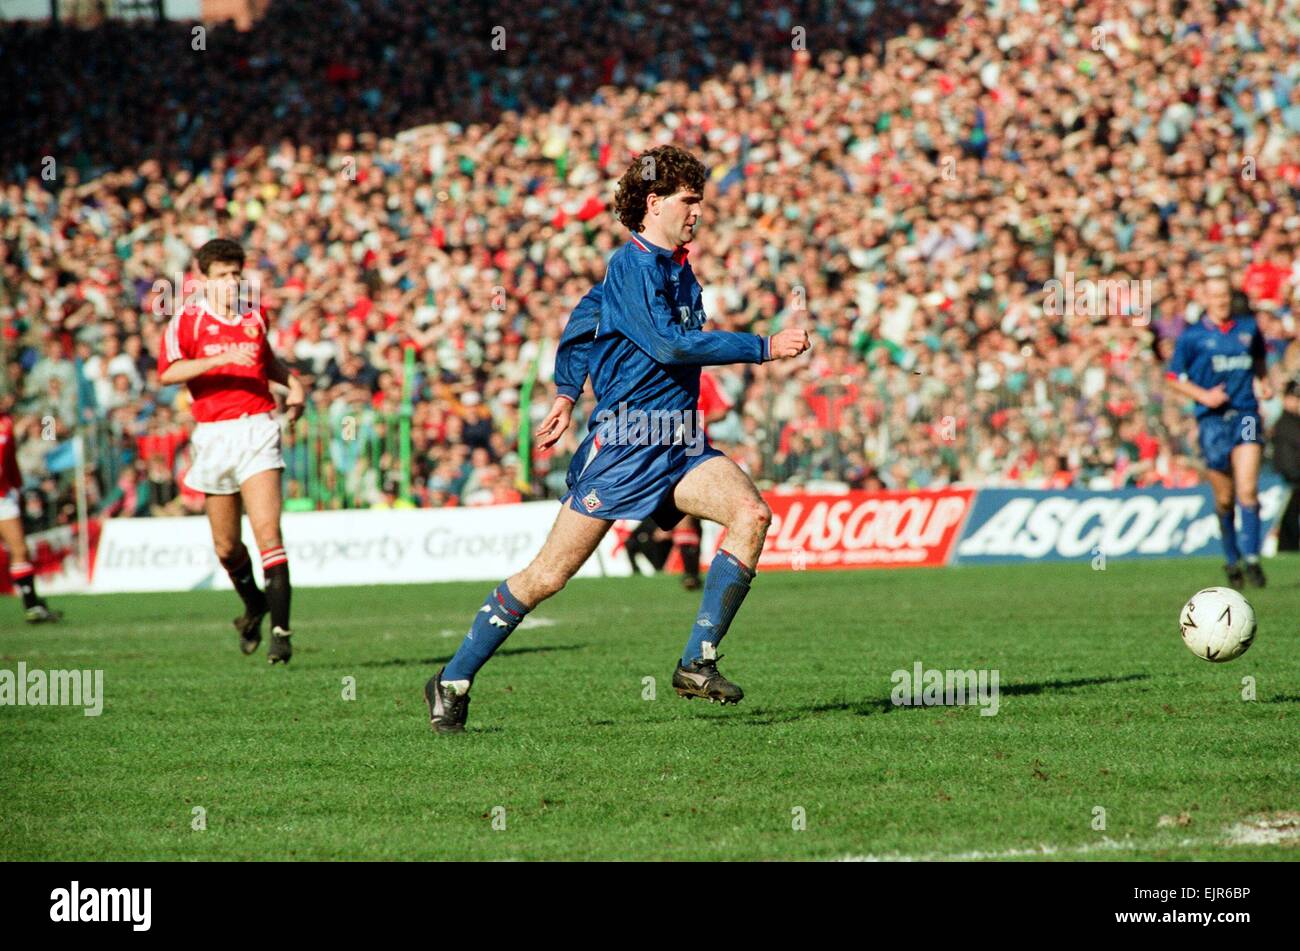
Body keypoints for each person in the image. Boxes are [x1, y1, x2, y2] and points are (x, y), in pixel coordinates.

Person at [422, 146, 810, 733]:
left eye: (701, 201)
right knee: (547, 577)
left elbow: (581, 324)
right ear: (653, 204)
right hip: (626, 447)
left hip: (679, 444)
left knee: (751, 514)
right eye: (688, 201)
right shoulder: (631, 265)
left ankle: (695, 662)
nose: (698, 212)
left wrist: (563, 394)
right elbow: (669, 346)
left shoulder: (677, 267)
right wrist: (763, 346)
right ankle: (452, 678)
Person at [156, 239, 306, 662]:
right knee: (226, 547)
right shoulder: (186, 322)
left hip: (258, 427)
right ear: (202, 279)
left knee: (268, 533)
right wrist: (216, 363)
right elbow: (167, 373)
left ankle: (282, 633)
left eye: (236, 273)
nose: (232, 281)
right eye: (222, 274)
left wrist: (291, 383)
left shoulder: (255, 315)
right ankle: (254, 604)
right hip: (213, 434)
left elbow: (265, 361)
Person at [1166, 274, 1273, 588]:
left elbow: (1259, 360)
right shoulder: (1193, 336)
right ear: (1205, 298)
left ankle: (1252, 558)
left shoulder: (1248, 329)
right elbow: (1173, 377)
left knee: (1248, 490)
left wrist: (1263, 383)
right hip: (1211, 420)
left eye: (1225, 295)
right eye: (1215, 296)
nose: (1222, 301)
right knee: (1225, 499)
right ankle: (1231, 558)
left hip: (1246, 414)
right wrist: (1204, 396)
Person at [0, 399, 61, 623]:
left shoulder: (6, 424)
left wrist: (16, 486)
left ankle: (32, 605)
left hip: (3, 497)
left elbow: (9, 461)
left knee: (20, 549)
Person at [1272, 379, 1300, 551]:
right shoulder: (1284, 424)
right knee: (1289, 517)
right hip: (1289, 480)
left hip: (1292, 478)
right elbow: (1285, 460)